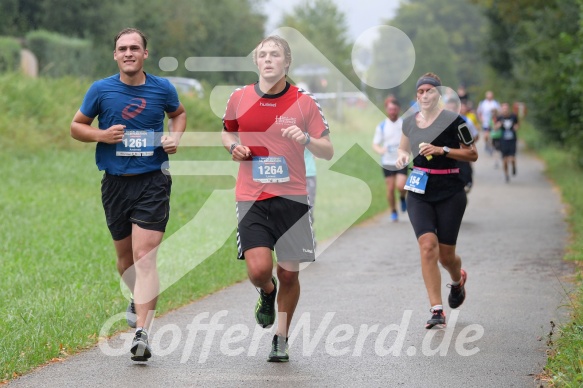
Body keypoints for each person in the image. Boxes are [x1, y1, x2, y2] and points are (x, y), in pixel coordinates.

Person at [70, 28, 186, 362]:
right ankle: (136, 297)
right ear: (115, 55)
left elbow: (178, 114)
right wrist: (101, 135)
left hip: (153, 180)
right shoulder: (101, 89)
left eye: (135, 48)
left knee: (145, 255)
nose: (129, 53)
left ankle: (142, 333)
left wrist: (175, 138)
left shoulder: (162, 88)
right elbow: (76, 126)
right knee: (126, 259)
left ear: (145, 54)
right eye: (123, 49)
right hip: (115, 183)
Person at [221, 35, 333, 362]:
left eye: (275, 54)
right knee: (260, 271)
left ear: (287, 62)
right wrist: (233, 147)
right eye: (262, 54)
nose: (268, 59)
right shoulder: (239, 98)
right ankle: (266, 294)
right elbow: (227, 130)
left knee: (289, 273)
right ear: (256, 61)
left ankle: (280, 338)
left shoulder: (304, 101)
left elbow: (328, 150)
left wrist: (308, 138)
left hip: (293, 198)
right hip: (251, 196)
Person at [395, 73, 478, 329]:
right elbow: (403, 148)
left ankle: (457, 280)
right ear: (416, 96)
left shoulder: (455, 121)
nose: (424, 96)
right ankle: (436, 309)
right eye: (420, 92)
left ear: (438, 95)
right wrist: (400, 158)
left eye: (429, 91)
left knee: (446, 257)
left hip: (450, 191)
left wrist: (443, 150)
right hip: (419, 191)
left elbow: (472, 153)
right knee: (428, 246)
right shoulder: (409, 123)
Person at [372, 96, 408, 221]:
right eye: (390, 109)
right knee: (391, 188)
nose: (392, 112)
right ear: (386, 110)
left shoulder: (404, 124)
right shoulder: (382, 126)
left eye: (394, 109)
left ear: (398, 109)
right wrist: (380, 150)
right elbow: (375, 144)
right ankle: (393, 211)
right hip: (387, 161)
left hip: (401, 160)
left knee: (401, 186)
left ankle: (403, 197)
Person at [495, 102, 520, 182]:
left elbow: (517, 124)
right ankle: (506, 175)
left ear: (508, 109)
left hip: (512, 140)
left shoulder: (513, 116)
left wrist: (516, 127)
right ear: (501, 110)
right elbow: (495, 128)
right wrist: (498, 126)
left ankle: (513, 166)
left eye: (506, 108)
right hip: (503, 141)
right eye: (503, 109)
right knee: (505, 160)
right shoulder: (499, 117)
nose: (505, 110)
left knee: (512, 158)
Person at [477, 90, 501, 155]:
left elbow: (499, 112)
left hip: (494, 122)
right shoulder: (482, 103)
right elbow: (479, 112)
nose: (489, 96)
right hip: (486, 122)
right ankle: (487, 145)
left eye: (490, 95)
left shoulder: (495, 103)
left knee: (493, 136)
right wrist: (481, 119)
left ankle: (492, 147)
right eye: (488, 95)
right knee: (486, 136)